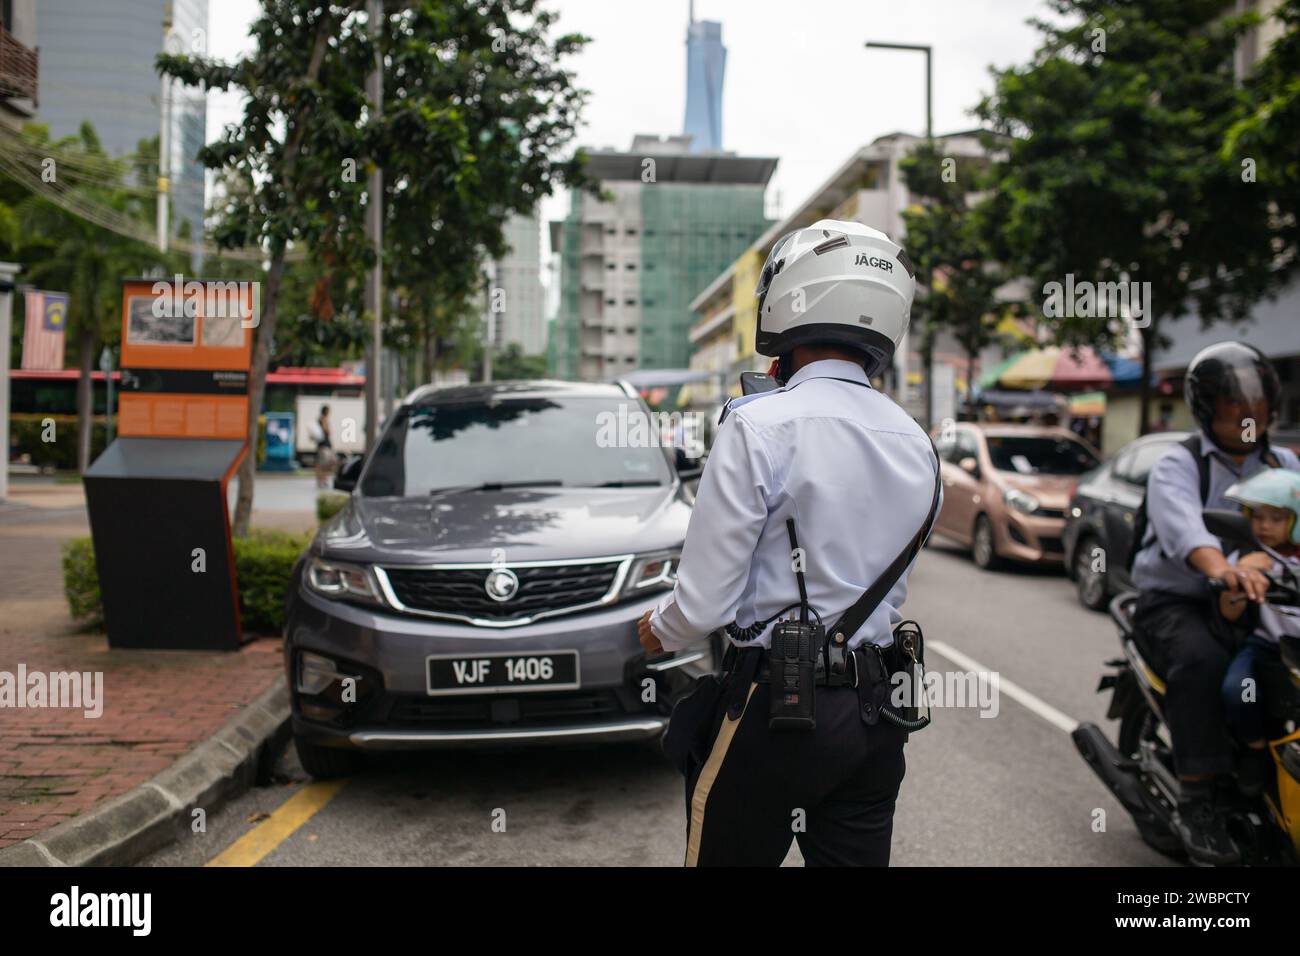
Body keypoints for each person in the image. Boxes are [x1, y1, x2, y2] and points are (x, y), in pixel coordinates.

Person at [636, 219, 939, 866]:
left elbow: (705, 607)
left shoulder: (757, 426)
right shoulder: (919, 444)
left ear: (789, 300)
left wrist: (657, 629)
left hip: (777, 710)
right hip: (878, 717)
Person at [1130, 341, 1299, 865]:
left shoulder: (1285, 461)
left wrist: (1265, 567)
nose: (1248, 415)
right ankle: (1197, 798)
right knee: (1204, 661)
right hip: (1177, 601)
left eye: (1256, 405)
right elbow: (1186, 533)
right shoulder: (1177, 465)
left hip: (1265, 600)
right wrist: (1223, 568)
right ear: (1207, 409)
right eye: (1233, 405)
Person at [1217, 469, 1300, 795]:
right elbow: (1229, 611)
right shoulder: (1251, 557)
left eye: (1276, 518)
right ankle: (1254, 752)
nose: (1265, 526)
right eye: (1258, 517)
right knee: (1237, 692)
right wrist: (1240, 575)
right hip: (1267, 647)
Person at [313, 404, 334, 489]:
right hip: (324, 445)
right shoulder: (323, 419)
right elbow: (327, 431)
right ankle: (322, 480)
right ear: (326, 412)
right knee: (324, 463)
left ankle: (321, 480)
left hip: (321, 444)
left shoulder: (319, 419)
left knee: (320, 463)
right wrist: (329, 429)